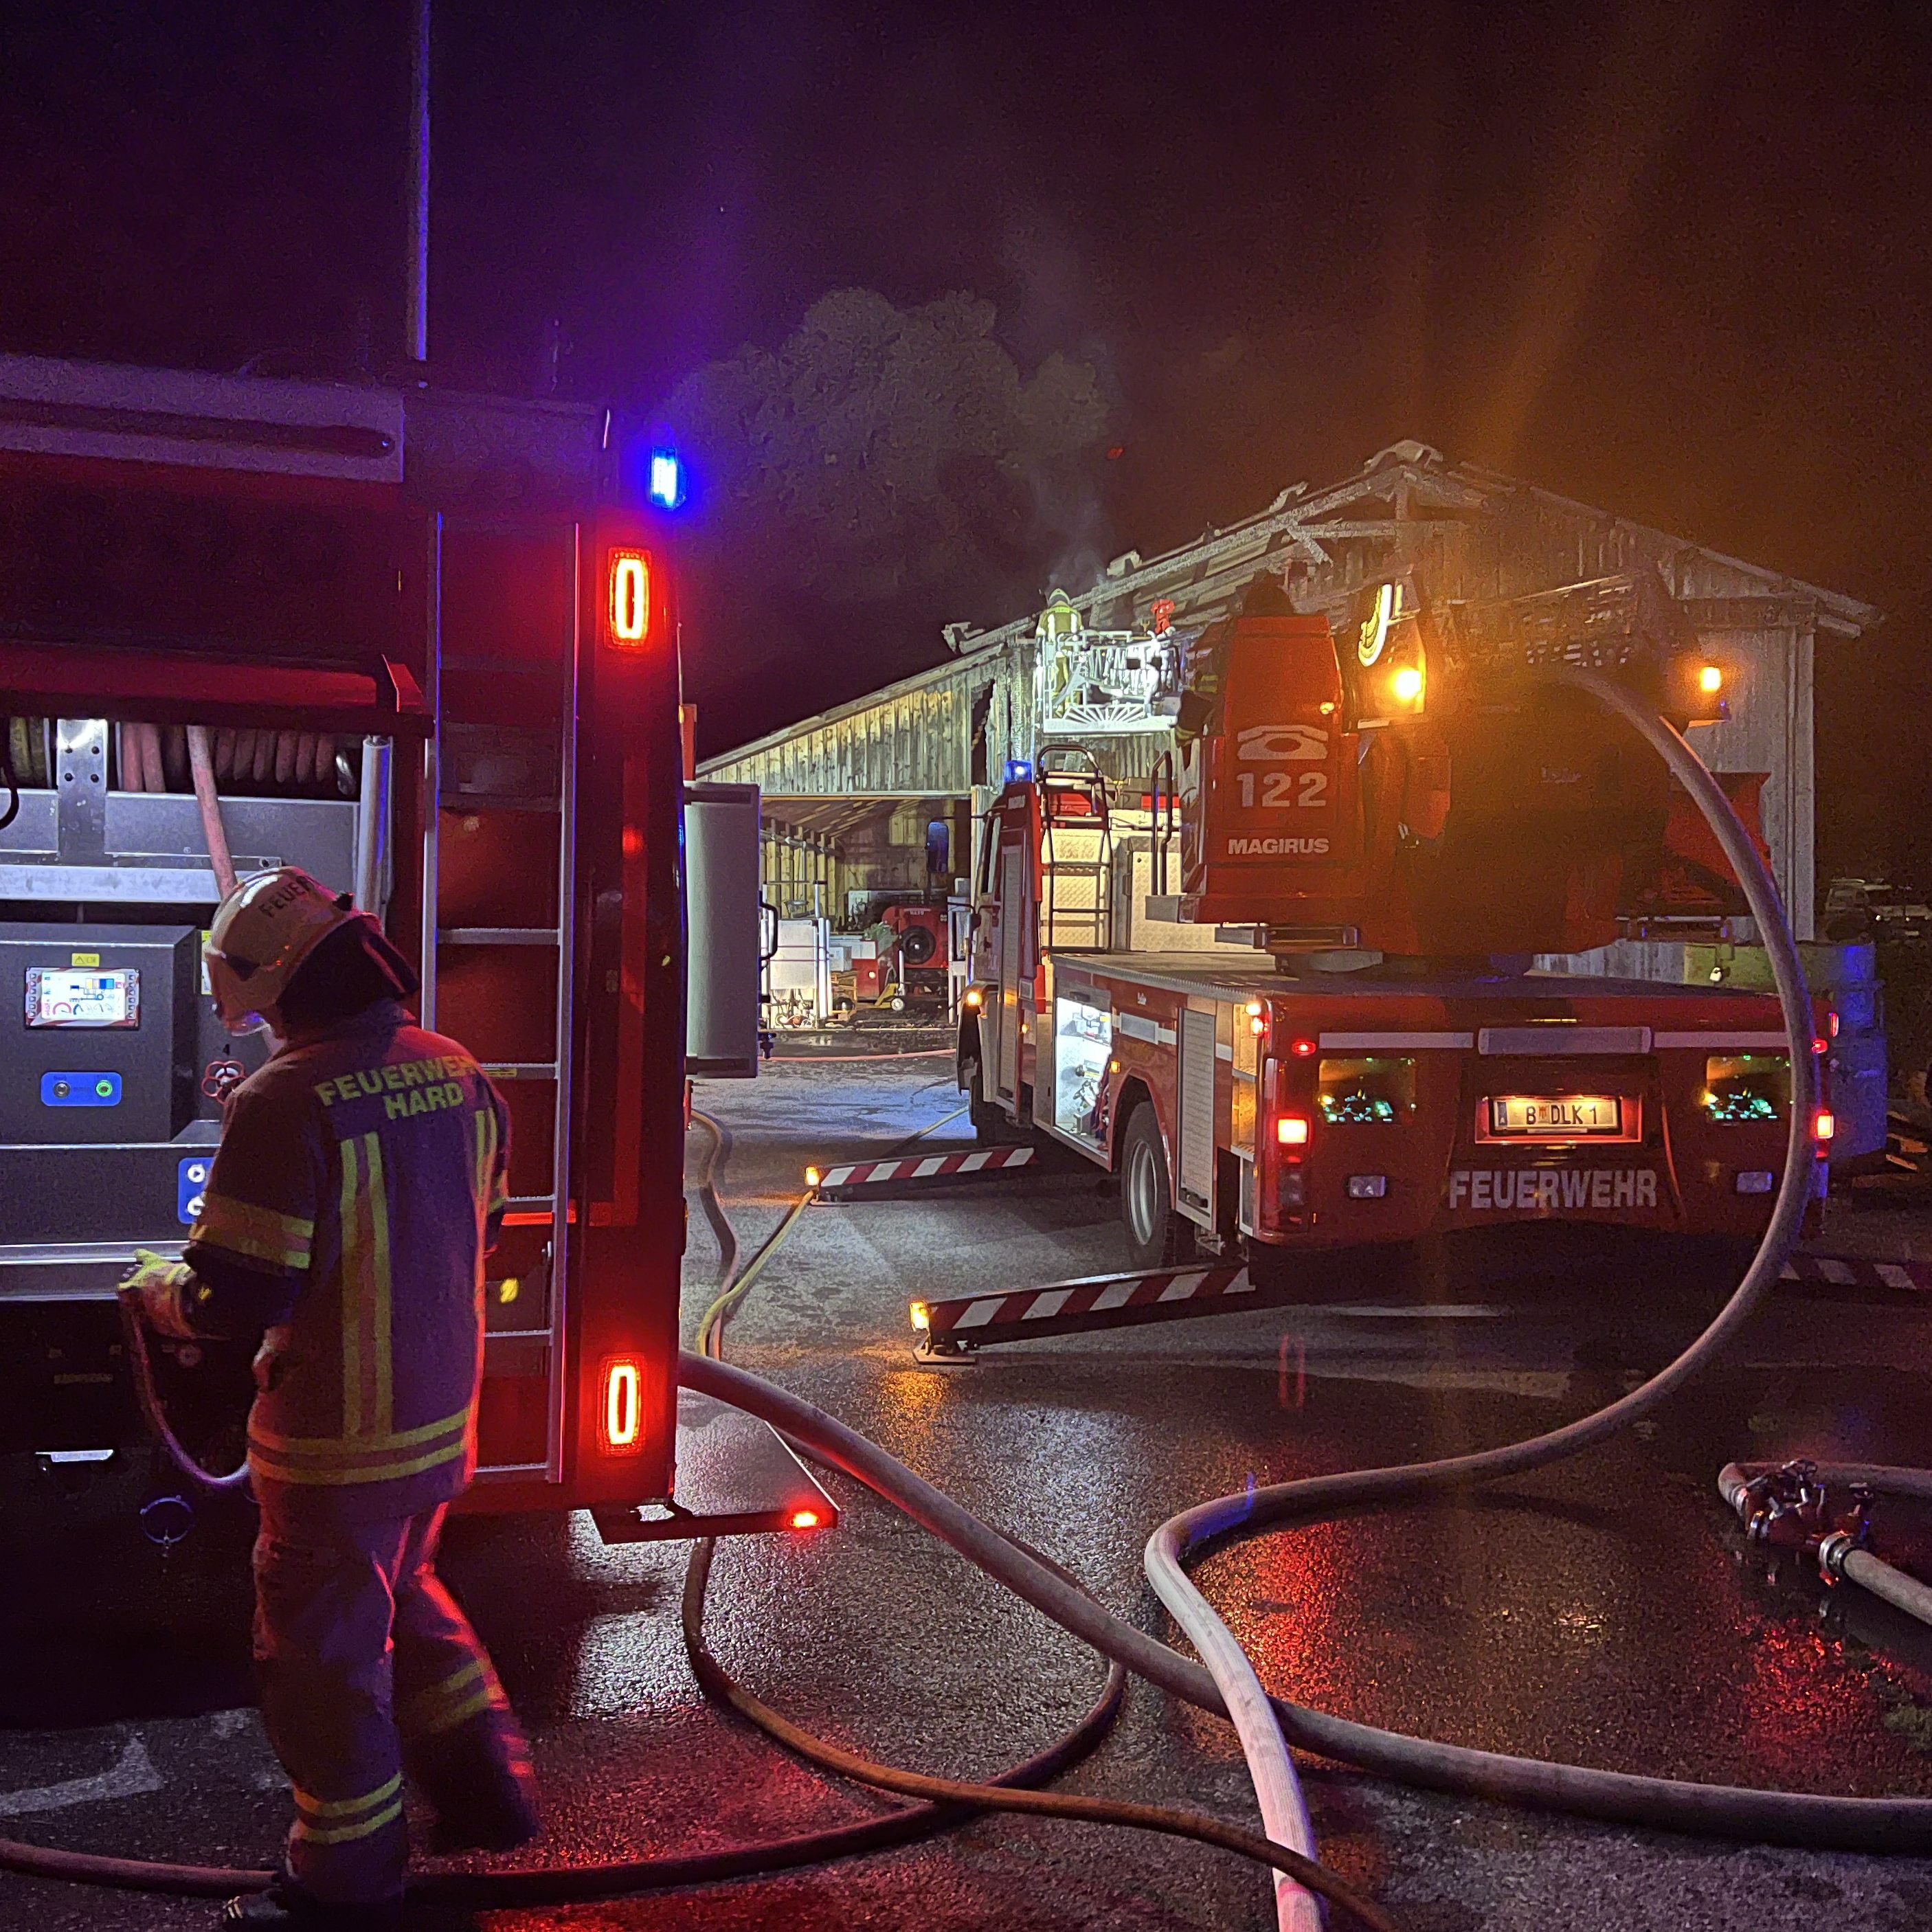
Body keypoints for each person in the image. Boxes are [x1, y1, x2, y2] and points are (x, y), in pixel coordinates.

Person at [122, 867, 539, 1929]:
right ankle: (491, 1791)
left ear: (276, 992)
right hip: (438, 1433)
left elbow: (235, 1295)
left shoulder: (282, 1100)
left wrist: (157, 1291)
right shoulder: (454, 1070)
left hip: (332, 1455)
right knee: (406, 1598)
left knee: (319, 1666)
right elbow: (483, 1228)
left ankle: (343, 1885)